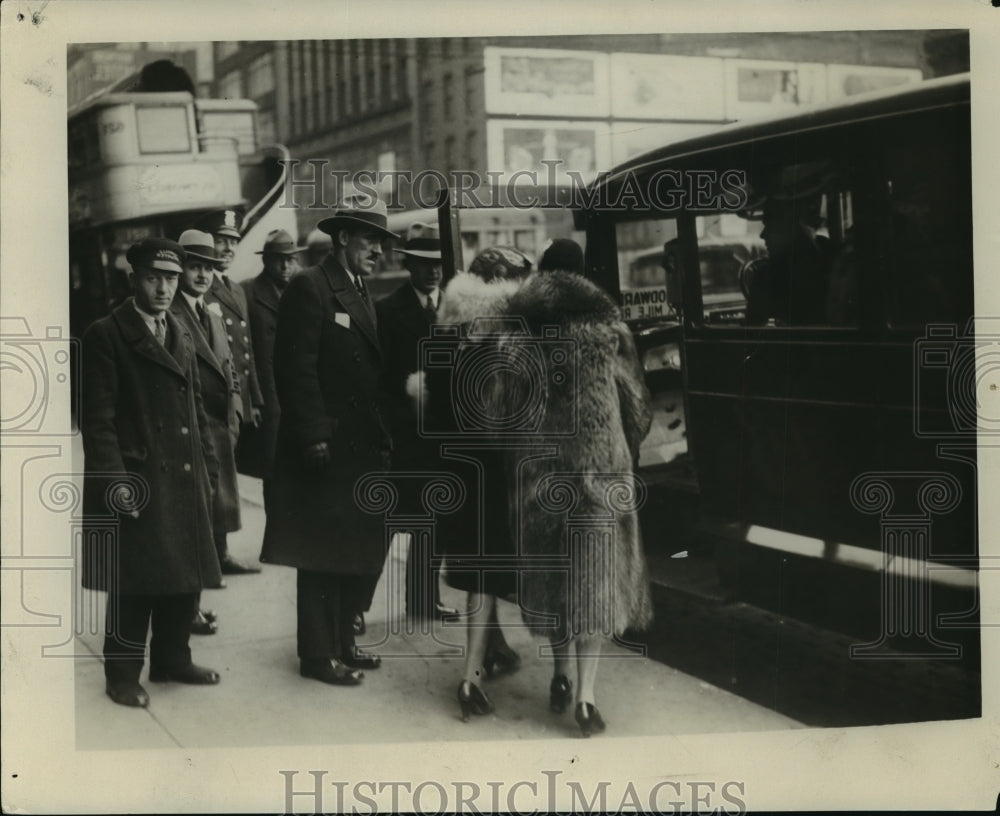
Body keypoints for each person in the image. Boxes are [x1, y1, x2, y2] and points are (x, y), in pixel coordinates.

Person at [491, 262, 654, 737]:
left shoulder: (518, 335)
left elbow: (499, 414)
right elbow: (638, 409)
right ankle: (585, 697)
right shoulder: (610, 333)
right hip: (600, 477)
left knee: (556, 582)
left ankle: (559, 674)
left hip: (541, 480)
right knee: (595, 586)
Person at [80, 237, 222, 708]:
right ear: (133, 279)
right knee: (135, 581)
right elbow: (97, 422)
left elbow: (196, 404)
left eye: (171, 279)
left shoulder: (178, 327)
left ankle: (172, 659)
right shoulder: (106, 334)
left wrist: (208, 458)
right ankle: (122, 675)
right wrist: (115, 480)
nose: (163, 288)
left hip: (182, 470)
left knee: (184, 574)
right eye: (153, 277)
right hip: (138, 478)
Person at [261, 195, 395, 686]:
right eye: (370, 240)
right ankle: (318, 655)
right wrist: (314, 434)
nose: (378, 250)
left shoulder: (357, 291)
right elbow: (294, 371)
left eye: (382, 242)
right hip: (325, 448)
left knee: (349, 549)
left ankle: (342, 643)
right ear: (342, 238)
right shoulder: (310, 288)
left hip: (356, 450)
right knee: (320, 554)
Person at [418, 246, 534, 721]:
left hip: (462, 475)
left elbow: (432, 405)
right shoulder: (510, 340)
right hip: (502, 473)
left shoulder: (446, 334)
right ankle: (564, 676)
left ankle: (471, 677)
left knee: (477, 580)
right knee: (526, 574)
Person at [375, 222, 458, 625]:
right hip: (404, 436)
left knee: (433, 523)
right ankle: (356, 606)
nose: (433, 271)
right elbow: (379, 375)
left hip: (440, 436)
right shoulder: (388, 311)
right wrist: (404, 396)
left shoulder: (454, 310)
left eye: (438, 264)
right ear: (408, 265)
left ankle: (424, 602)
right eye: (424, 263)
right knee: (386, 525)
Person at [171, 230, 248, 635]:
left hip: (219, 427)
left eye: (208, 267)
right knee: (193, 524)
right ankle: (188, 611)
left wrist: (234, 409)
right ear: (181, 270)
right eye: (195, 266)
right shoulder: (172, 313)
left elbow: (228, 364)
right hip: (194, 429)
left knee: (210, 518)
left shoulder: (212, 312)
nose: (202, 275)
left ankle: (194, 608)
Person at [195, 209, 268, 561]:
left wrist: (251, 398)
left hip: (235, 400)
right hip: (212, 398)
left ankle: (219, 550)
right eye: (221, 241)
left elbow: (246, 346)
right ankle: (215, 553)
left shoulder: (235, 289)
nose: (227, 248)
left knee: (228, 476)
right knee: (216, 476)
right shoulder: (199, 284)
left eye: (232, 241)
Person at [238, 229, 307, 498]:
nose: (286, 266)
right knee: (275, 473)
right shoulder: (248, 292)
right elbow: (244, 347)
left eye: (290, 259)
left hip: (299, 392)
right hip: (269, 395)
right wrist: (252, 397)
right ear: (265, 260)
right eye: (279, 259)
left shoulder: (304, 288)